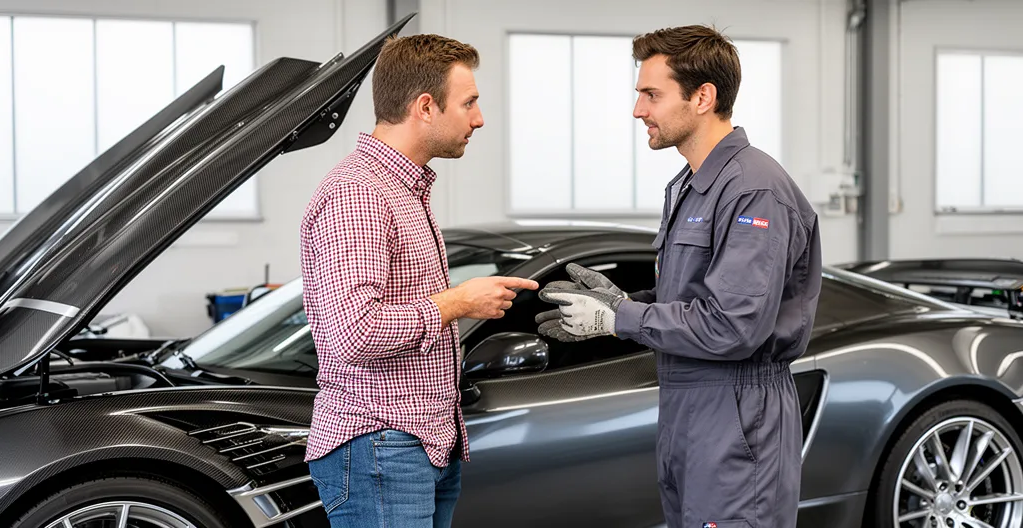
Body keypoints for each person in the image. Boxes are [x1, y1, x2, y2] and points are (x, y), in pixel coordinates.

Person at [535, 25, 822, 528]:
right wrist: (622, 300)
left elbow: (734, 326)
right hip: (689, 409)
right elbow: (692, 297)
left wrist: (620, 319)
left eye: (651, 94)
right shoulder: (692, 185)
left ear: (703, 97)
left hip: (737, 410)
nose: (637, 110)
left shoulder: (754, 189)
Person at [299, 33, 538, 528]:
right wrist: (456, 303)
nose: (479, 118)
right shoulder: (360, 195)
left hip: (421, 442)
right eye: (469, 102)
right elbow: (353, 332)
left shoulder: (404, 189)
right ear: (425, 106)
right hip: (381, 444)